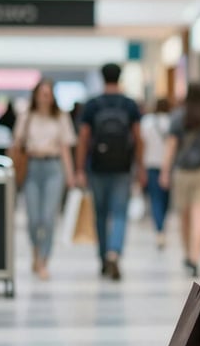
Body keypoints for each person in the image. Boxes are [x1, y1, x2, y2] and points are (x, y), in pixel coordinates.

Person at [75, 63, 143, 281]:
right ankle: (115, 252)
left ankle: (103, 258)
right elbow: (138, 138)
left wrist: (79, 168)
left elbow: (84, 138)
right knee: (120, 212)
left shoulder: (93, 104)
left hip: (97, 166)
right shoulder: (129, 104)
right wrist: (140, 166)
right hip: (123, 167)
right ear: (120, 78)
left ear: (102, 78)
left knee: (101, 214)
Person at [10, 79, 75, 280]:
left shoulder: (61, 117)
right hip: (32, 167)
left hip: (53, 168)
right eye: (42, 93)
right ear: (36, 95)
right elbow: (16, 143)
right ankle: (35, 250)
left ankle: (44, 259)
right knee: (33, 218)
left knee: (48, 217)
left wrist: (70, 175)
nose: (45, 97)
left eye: (48, 93)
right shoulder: (26, 116)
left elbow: (65, 148)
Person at [160, 85, 200, 275]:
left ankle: (188, 254)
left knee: (184, 217)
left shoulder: (178, 117)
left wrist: (164, 172)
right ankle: (195, 257)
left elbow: (171, 147)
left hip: (182, 172)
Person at [139, 97, 172, 248]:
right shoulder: (173, 121)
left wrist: (140, 167)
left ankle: (159, 229)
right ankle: (162, 225)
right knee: (166, 200)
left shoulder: (146, 122)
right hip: (169, 166)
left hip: (151, 165)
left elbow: (142, 144)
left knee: (155, 199)